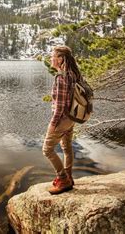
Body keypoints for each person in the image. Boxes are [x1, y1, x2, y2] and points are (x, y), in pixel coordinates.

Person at [43, 45, 82, 195]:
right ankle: (69, 177)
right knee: (66, 147)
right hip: (72, 118)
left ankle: (63, 179)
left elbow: (59, 106)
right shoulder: (74, 74)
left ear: (60, 59)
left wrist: (53, 124)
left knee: (47, 150)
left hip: (62, 119)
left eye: (53, 56)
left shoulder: (61, 77)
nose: (50, 58)